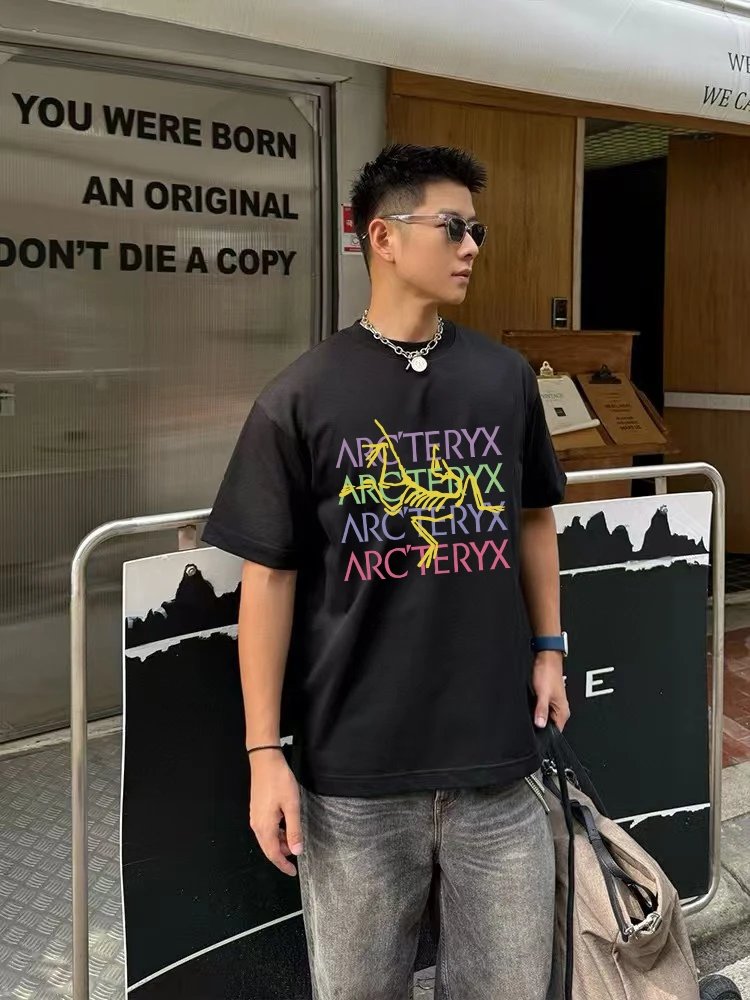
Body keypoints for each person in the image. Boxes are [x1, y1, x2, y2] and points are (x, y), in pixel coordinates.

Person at [202, 143, 570, 1000]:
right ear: (383, 237)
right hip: (354, 778)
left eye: (476, 230)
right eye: (453, 227)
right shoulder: (301, 398)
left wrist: (550, 648)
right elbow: (269, 580)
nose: (471, 246)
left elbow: (533, 519)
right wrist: (263, 753)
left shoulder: (504, 378)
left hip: (498, 763)